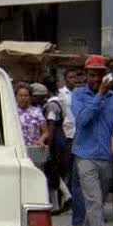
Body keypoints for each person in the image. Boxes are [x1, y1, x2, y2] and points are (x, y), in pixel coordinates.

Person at [71, 55, 113, 226]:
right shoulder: (78, 95)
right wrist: (100, 94)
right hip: (85, 156)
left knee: (96, 204)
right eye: (92, 74)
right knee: (95, 204)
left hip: (107, 157)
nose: (97, 78)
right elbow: (82, 120)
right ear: (86, 76)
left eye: (100, 74)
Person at [60, 68, 86, 226]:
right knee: (69, 173)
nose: (73, 80)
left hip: (83, 137)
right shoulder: (62, 95)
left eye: (74, 77)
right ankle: (74, 213)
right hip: (69, 135)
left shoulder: (82, 94)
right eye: (69, 77)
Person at [42, 74, 72, 215]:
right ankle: (55, 204)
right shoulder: (60, 101)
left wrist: (48, 142)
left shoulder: (51, 105)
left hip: (55, 140)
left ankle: (67, 196)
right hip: (61, 137)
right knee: (53, 171)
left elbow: (51, 124)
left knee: (52, 170)